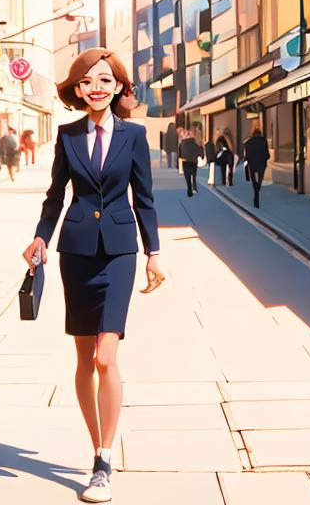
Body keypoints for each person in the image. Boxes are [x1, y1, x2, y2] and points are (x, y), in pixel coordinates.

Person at [24, 47, 165, 504]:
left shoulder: (134, 135)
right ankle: (96, 445)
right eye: (88, 81)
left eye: (105, 80)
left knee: (106, 357)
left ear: (119, 86)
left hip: (120, 252)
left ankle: (104, 459)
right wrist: (41, 237)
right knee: (84, 358)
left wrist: (154, 253)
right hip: (77, 251)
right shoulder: (66, 136)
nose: (97, 88)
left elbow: (144, 197)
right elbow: (54, 196)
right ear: (77, 89)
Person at [242, 125, 270, 208]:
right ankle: (258, 188)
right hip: (261, 162)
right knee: (260, 176)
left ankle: (256, 190)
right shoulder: (263, 141)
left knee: (254, 178)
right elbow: (266, 153)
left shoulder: (248, 142)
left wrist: (247, 160)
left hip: (252, 163)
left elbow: (246, 155)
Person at [179, 128, 201, 197]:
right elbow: (199, 151)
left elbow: (180, 154)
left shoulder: (182, 143)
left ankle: (189, 188)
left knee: (187, 176)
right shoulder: (195, 142)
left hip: (185, 161)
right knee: (194, 175)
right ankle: (194, 187)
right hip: (194, 161)